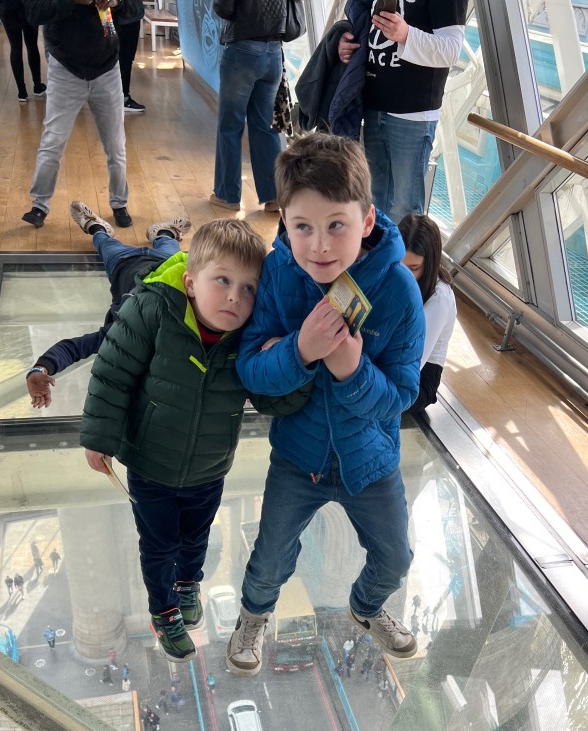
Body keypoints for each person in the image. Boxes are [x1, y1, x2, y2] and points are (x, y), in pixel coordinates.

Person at [226, 133, 425, 677]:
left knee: (396, 558)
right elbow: (250, 370)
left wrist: (353, 371)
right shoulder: (278, 275)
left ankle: (367, 606)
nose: (318, 246)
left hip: (371, 460)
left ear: (367, 220)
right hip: (299, 455)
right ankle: (253, 614)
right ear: (284, 223)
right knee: (270, 554)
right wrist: (300, 350)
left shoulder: (399, 291)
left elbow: (403, 394)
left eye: (337, 224)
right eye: (302, 227)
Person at [80, 218, 310, 663]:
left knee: (197, 536)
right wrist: (99, 436)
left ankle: (188, 584)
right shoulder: (152, 309)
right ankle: (164, 610)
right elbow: (113, 371)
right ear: (190, 283)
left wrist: (295, 362)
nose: (234, 297)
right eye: (222, 281)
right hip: (150, 464)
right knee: (159, 545)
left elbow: (271, 399)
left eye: (248, 288)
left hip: (209, 468)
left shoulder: (247, 337)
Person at [26, 203, 191, 408]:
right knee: (168, 241)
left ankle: (95, 226)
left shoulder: (120, 337)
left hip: (125, 263)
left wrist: (40, 369)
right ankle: (164, 232)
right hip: (168, 263)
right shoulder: (182, 337)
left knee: (103, 240)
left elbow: (73, 348)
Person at [338, 0, 466, 222]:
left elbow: (451, 50)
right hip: (373, 105)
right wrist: (346, 43)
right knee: (374, 199)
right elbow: (364, 22)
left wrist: (406, 34)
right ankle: (379, 246)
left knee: (406, 210)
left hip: (413, 113)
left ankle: (403, 247)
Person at [21, 0, 132, 229]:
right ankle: (39, 206)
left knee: (116, 145)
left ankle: (119, 204)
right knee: (53, 141)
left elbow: (135, 9)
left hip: (107, 67)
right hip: (65, 67)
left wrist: (116, 2)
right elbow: (34, 12)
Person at [209, 0, 303, 213]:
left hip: (243, 51)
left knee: (230, 126)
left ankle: (227, 195)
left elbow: (224, 8)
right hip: (274, 53)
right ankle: (273, 197)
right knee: (265, 127)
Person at [398, 214, 456, 413]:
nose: (404, 276)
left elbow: (413, 363)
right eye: (400, 265)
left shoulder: (440, 299)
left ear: (430, 263)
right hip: (392, 357)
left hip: (418, 379)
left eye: (414, 268)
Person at [0, 0, 46, 102]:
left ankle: (22, 92)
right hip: (27, 6)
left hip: (6, 6)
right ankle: (37, 86)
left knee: (15, 47)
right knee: (32, 46)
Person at [114, 0, 146, 113]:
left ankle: (121, 97)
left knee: (122, 59)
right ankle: (123, 98)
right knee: (124, 59)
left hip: (125, 14)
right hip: (124, 15)